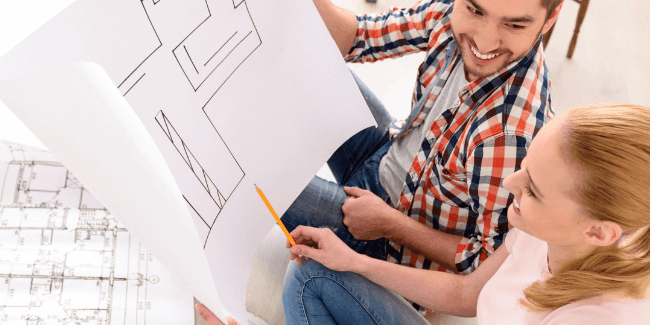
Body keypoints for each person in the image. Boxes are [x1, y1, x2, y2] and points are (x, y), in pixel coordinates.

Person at [198, 104, 650, 324]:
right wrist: (354, 261)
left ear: (600, 233)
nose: (510, 185)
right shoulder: (543, 226)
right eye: (524, 166)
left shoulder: (593, 318)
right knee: (314, 274)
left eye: (531, 189)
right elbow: (469, 294)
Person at [280, 0, 562, 310]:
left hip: (392, 243)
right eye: (475, 10)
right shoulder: (450, 11)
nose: (484, 41)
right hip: (391, 154)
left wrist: (390, 224)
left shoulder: (510, 135)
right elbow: (360, 35)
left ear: (551, 17)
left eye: (514, 25)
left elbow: (481, 263)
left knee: (252, 179)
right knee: (309, 58)